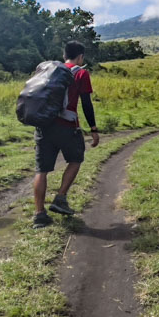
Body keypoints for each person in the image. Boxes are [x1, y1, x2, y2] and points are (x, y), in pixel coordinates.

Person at [32, 41, 100, 228]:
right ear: (80, 57)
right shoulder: (81, 73)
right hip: (67, 126)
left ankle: (39, 215)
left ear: (64, 56)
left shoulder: (48, 70)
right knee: (76, 159)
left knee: (41, 170)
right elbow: (86, 104)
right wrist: (93, 129)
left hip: (43, 125)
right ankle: (60, 197)